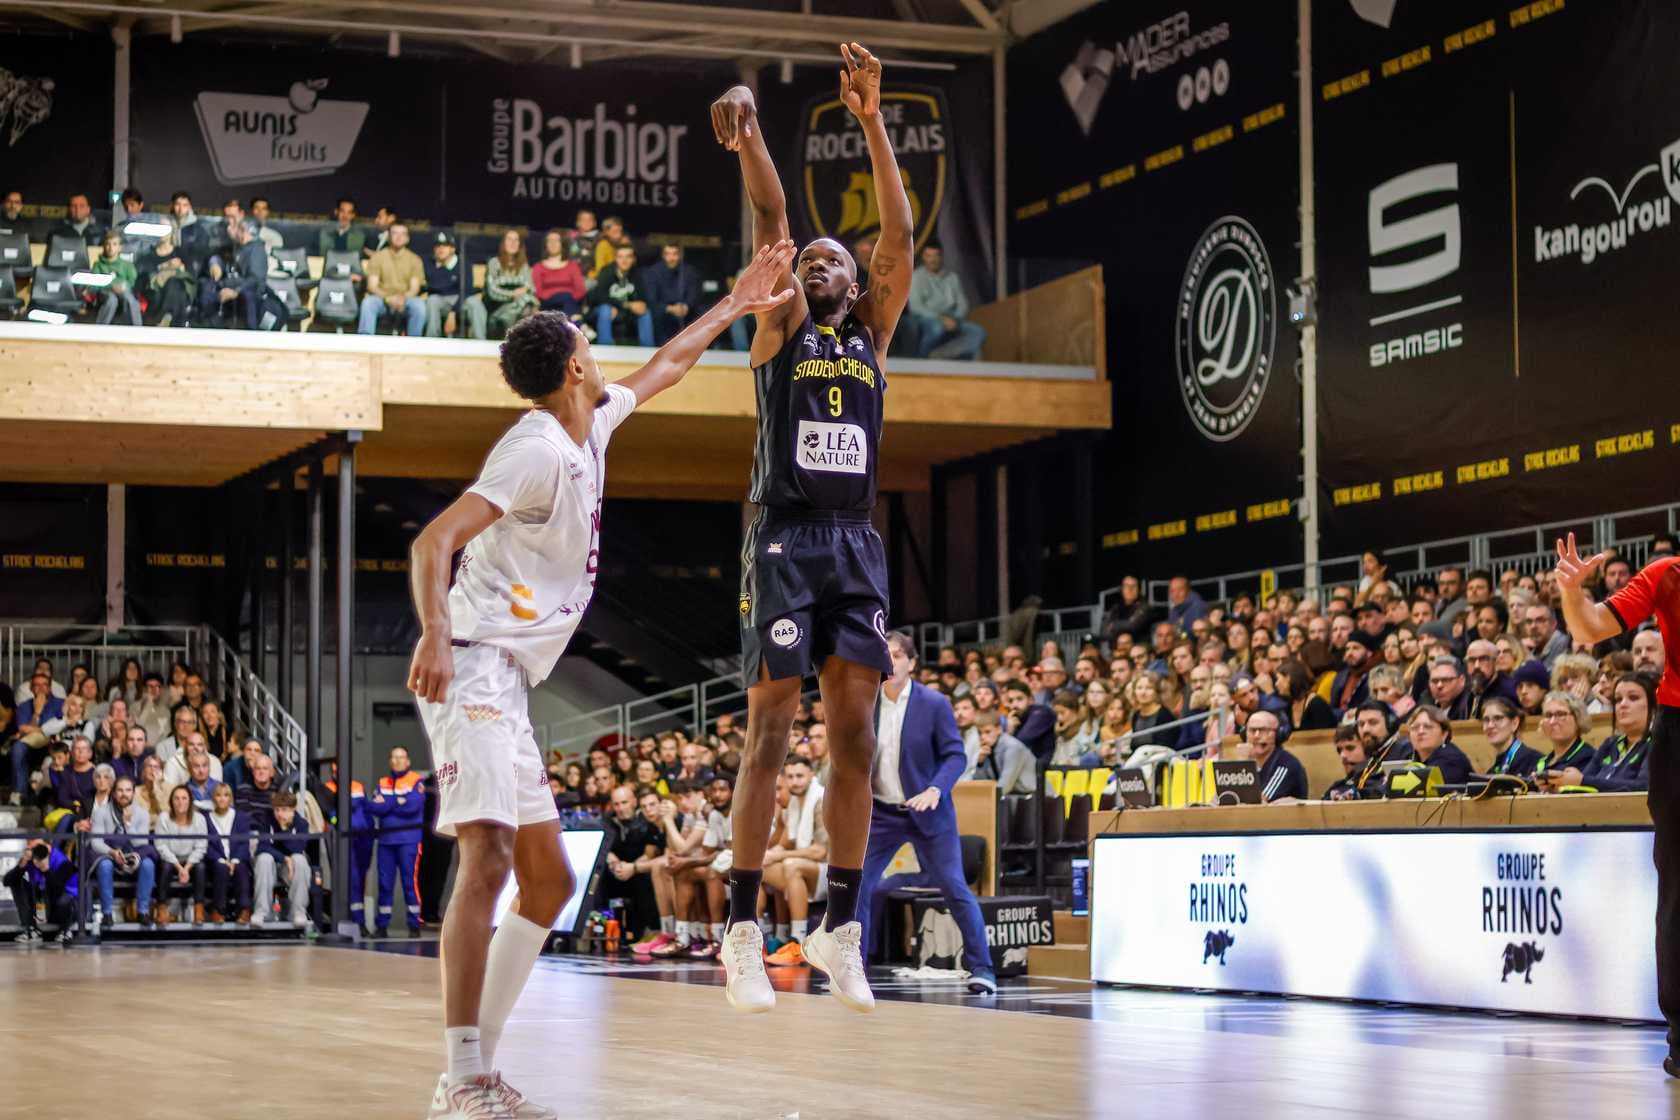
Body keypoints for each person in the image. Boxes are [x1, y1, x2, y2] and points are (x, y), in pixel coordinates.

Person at [404, 240, 797, 1117]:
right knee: (492, 855)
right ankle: (461, 1076)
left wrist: (735, 307)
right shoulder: (536, 448)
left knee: (547, 882)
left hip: (505, 676)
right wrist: (434, 634)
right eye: (590, 339)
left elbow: (668, 365)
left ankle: (475, 1074)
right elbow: (433, 540)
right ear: (576, 362)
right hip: (471, 662)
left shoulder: (593, 422)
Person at [709, 42, 913, 1016]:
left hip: (854, 543)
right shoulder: (780, 331)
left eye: (839, 260)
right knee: (771, 727)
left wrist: (871, 119)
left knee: (857, 739)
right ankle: (744, 927)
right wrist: (751, 132)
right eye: (814, 260)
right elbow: (774, 217)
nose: (825, 263)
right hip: (785, 536)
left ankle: (838, 926)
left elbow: (899, 242)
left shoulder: (872, 337)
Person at [858, 632, 996, 993]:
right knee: (857, 885)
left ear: (912, 662)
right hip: (882, 812)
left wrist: (936, 789)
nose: (889, 662)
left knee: (953, 885)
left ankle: (983, 969)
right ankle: (853, 970)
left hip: (929, 810)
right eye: (883, 655)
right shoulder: (865, 701)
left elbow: (955, 755)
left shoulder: (933, 703)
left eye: (897, 655)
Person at [370, 745, 426, 937]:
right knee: (385, 884)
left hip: (409, 840)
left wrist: (389, 803)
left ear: (408, 761)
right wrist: (399, 800)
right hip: (386, 841)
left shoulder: (416, 781)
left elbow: (413, 807)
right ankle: (382, 926)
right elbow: (375, 809)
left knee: (410, 882)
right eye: (394, 757)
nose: (397, 761)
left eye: (401, 757)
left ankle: (414, 925)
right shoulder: (382, 782)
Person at [91, 774, 156, 930]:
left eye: (128, 790)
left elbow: (141, 843)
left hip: (134, 855)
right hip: (110, 855)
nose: (124, 794)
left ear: (133, 793)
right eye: (120, 790)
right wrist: (112, 852)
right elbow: (95, 842)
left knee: (148, 864)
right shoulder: (101, 812)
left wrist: (128, 824)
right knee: (104, 865)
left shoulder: (142, 813)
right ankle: (107, 913)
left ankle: (143, 911)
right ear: (113, 793)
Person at [1576, 672, 1657, 793]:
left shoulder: (1660, 744)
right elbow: (1582, 783)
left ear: (1653, 707)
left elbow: (1643, 787)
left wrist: (1582, 781)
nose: (1622, 704)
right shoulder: (1610, 744)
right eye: (1618, 699)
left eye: (1633, 697)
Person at [254, 789, 313, 926]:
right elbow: (262, 847)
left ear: (293, 809)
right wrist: (284, 858)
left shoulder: (301, 824)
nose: (280, 814)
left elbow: (297, 848)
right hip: (271, 865)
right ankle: (262, 912)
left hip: (290, 868)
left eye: (285, 810)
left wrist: (284, 830)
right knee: (264, 859)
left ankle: (298, 912)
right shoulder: (266, 820)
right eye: (277, 809)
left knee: (300, 859)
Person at [466, 228, 538, 339]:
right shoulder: (494, 263)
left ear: (520, 244)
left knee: (528, 308)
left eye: (516, 240)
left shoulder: (524, 266)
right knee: (520, 308)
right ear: (503, 243)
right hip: (496, 311)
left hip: (519, 309)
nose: (513, 243)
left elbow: (531, 290)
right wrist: (513, 294)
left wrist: (522, 297)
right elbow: (492, 292)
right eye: (509, 239)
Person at [358, 222, 427, 336]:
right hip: (382, 300)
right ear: (389, 236)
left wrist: (402, 299)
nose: (399, 237)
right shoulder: (378, 257)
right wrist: (388, 298)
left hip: (405, 300)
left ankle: (414, 345)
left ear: (408, 238)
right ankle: (365, 343)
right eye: (395, 233)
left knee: (419, 306)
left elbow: (414, 289)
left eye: (403, 234)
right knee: (368, 303)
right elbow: (372, 286)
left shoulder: (415, 259)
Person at [5, 838, 78, 943]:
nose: (37, 851)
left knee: (65, 899)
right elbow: (7, 881)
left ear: (49, 846)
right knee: (17, 881)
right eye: (33, 849)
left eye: (39, 847)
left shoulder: (62, 861)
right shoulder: (30, 861)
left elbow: (58, 890)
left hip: (63, 909)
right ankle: (31, 930)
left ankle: (65, 930)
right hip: (41, 905)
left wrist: (46, 870)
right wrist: (21, 864)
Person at [155, 784, 208, 926]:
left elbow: (201, 848)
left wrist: (187, 868)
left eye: (184, 798)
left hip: (190, 859)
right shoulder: (164, 818)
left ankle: (199, 909)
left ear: (190, 801)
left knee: (201, 867)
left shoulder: (199, 819)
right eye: (176, 798)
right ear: (171, 801)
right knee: (164, 868)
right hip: (171, 860)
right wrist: (179, 868)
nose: (180, 802)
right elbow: (161, 846)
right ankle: (162, 908)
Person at [203, 780, 253, 924]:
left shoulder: (241, 817)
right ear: (213, 798)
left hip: (237, 859)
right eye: (218, 795)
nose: (222, 798)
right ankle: (218, 911)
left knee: (241, 868)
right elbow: (207, 846)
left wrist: (235, 860)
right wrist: (222, 860)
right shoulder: (205, 819)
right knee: (221, 868)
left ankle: (244, 910)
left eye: (226, 795)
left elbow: (244, 844)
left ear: (230, 798)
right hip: (216, 861)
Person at [1530, 690, 1601, 791]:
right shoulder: (1543, 762)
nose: (1553, 721)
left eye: (1560, 714)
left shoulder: (1590, 758)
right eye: (1548, 715)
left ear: (1578, 718)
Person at [587, 243, 655, 346]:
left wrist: (641, 304)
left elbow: (643, 297)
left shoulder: (638, 274)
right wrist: (625, 305)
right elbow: (599, 297)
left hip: (626, 311)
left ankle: (648, 353)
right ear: (616, 259)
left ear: (633, 259)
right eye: (620, 257)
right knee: (606, 310)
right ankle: (606, 349)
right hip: (602, 309)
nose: (624, 260)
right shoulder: (607, 272)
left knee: (644, 312)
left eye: (628, 257)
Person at [1388, 705, 1473, 786]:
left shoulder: (1452, 758)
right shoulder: (1408, 756)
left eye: (1428, 727)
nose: (1420, 731)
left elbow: (1424, 787)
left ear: (1444, 734)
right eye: (1415, 727)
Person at [643, 242, 701, 343]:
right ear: (663, 255)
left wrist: (686, 306)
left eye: (675, 254)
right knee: (655, 314)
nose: (671, 258)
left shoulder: (689, 271)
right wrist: (669, 309)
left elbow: (694, 294)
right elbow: (651, 298)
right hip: (663, 309)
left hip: (685, 309)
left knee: (702, 312)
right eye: (668, 254)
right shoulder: (653, 272)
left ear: (680, 255)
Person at [1244, 709, 1306, 802]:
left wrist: (1242, 761)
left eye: (1263, 730)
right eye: (1252, 730)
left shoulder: (1286, 764)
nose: (1256, 736)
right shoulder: (1251, 762)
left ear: (1278, 735)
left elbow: (1259, 802)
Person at [423, 232, 472, 338]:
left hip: (460, 299)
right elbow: (433, 286)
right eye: (438, 245)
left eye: (445, 245)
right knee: (432, 300)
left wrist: (453, 313)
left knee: (475, 304)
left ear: (453, 249)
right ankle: (432, 340)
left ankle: (480, 343)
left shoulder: (463, 264)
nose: (441, 249)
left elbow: (467, 290)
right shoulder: (429, 263)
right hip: (439, 299)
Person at [532, 229, 588, 320]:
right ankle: (579, 324)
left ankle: (572, 321)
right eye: (550, 241)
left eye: (556, 241)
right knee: (566, 299)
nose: (553, 244)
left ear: (562, 244)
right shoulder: (538, 267)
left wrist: (570, 299)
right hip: (548, 304)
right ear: (546, 245)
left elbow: (580, 290)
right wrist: (558, 295)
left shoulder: (572, 266)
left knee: (567, 300)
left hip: (569, 303)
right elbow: (538, 291)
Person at [1480, 696, 1541, 778]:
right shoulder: (1493, 770)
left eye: (1498, 718)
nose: (1490, 725)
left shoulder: (1532, 761)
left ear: (1514, 723)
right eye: (1486, 720)